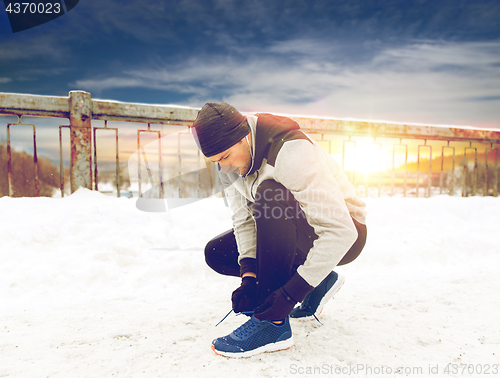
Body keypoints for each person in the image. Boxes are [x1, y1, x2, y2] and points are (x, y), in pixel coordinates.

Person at [191, 102, 367, 358]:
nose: (225, 168)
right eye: (216, 162)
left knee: (271, 195)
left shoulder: (291, 152)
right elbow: (243, 220)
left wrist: (288, 296)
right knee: (217, 252)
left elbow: (341, 231)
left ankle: (273, 326)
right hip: (294, 230)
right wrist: (249, 278)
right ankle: (316, 280)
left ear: (245, 137)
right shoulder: (227, 162)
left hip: (344, 231)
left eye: (226, 157)